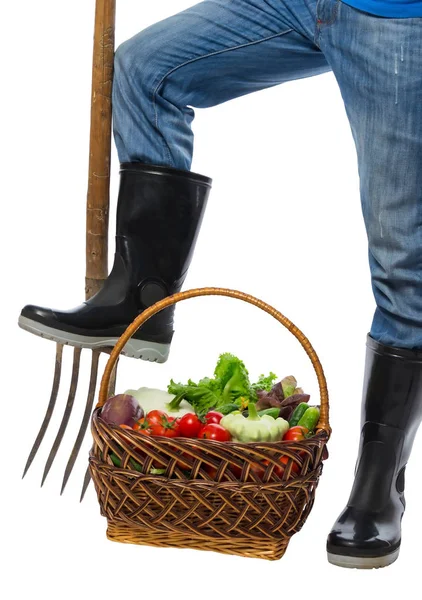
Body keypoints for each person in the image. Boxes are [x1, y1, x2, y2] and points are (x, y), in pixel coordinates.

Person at [18, 0, 422, 569]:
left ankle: (380, 486)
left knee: (401, 256)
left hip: (399, 19)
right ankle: (141, 298)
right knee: (144, 71)